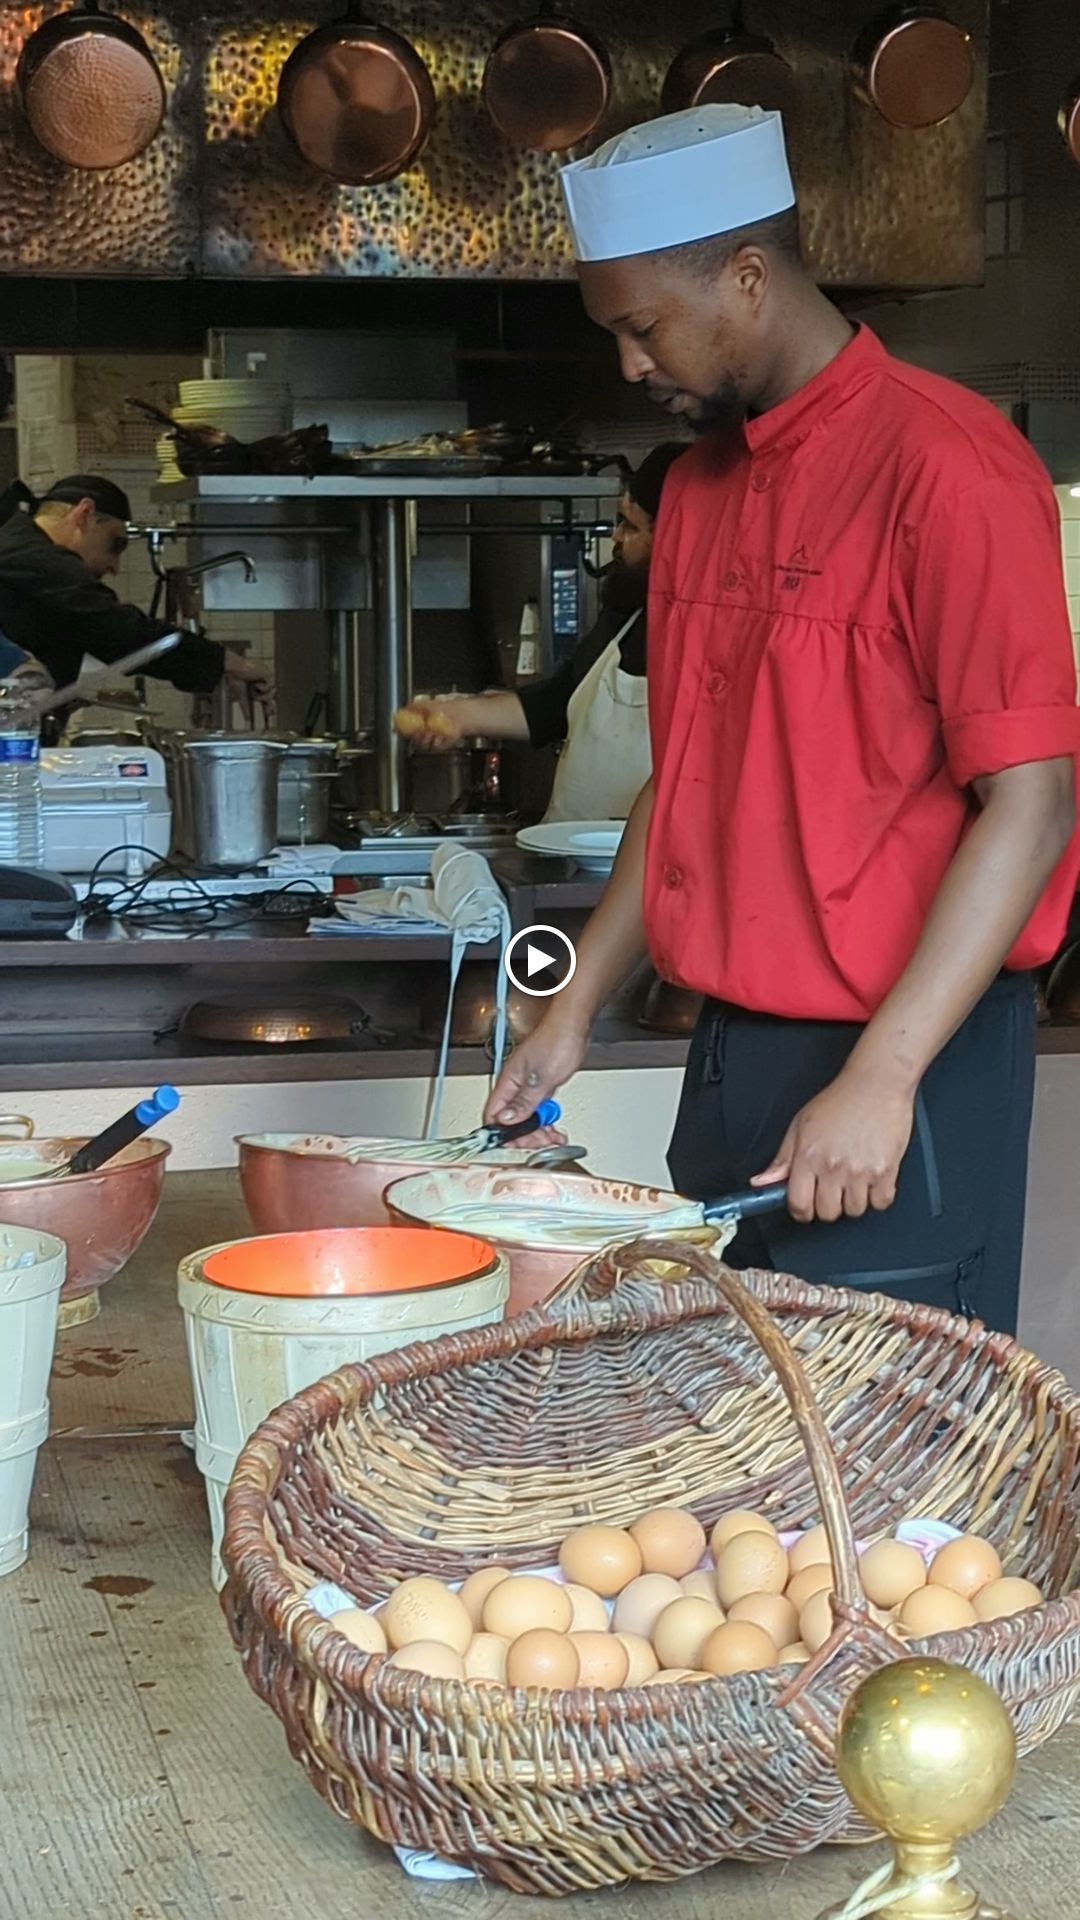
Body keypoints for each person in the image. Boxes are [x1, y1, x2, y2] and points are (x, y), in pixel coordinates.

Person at [485, 104, 1080, 1336]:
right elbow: (682, 787)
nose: (630, 367)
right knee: (728, 1421)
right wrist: (571, 1011)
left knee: (891, 1437)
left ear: (748, 278)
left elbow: (1032, 805)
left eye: (644, 328)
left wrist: (885, 1075)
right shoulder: (701, 495)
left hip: (908, 1064)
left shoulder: (952, 470)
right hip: (731, 1062)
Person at [393, 444, 686, 823]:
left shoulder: (711, 643)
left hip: (636, 856)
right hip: (569, 849)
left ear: (674, 538)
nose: (615, 537)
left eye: (630, 526)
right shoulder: (626, 617)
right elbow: (557, 703)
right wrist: (456, 715)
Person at [0, 475, 268, 706]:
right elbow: (119, 630)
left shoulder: (21, 548)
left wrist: (216, 666)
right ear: (85, 514)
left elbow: (108, 638)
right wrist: (228, 662)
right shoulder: (30, 556)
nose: (114, 567)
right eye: (115, 544)